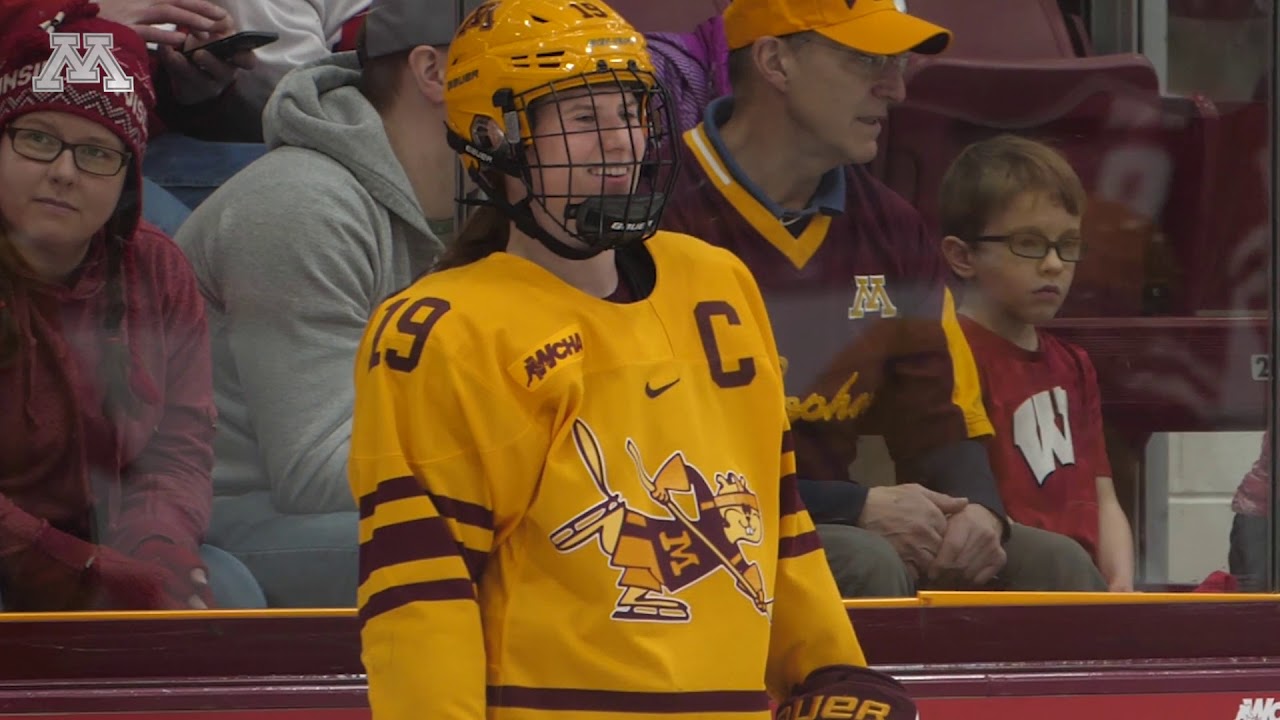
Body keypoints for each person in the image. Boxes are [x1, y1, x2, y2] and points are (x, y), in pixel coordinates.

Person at [349, 0, 915, 717]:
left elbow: (775, 521)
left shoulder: (715, 283)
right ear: (496, 139)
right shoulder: (442, 330)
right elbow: (422, 592)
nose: (619, 141)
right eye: (583, 119)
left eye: (630, 114)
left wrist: (830, 668)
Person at [657, 0, 1107, 596]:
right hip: (697, 521)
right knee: (866, 562)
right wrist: (852, 505)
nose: (894, 88)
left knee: (1058, 567)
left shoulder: (891, 225)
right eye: (867, 60)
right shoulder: (657, 212)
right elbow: (653, 444)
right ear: (775, 61)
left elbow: (941, 418)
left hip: (838, 516)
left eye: (895, 64)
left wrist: (978, 513)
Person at [175, 0, 474, 607]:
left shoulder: (492, 203)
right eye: (519, 69)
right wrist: (514, 453)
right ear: (435, 73)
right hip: (226, 518)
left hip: (345, 500)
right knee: (482, 546)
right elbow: (316, 470)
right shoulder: (301, 206)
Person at [0, 0, 264, 611]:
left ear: (127, 177)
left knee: (226, 592)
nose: (64, 172)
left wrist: (159, 549)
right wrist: (80, 569)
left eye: (97, 153)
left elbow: (179, 446)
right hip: (32, 552)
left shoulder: (156, 269)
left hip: (104, 542)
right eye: (38, 139)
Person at [939, 135, 1123, 591]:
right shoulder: (943, 353)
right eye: (1029, 244)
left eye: (1069, 245)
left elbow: (1103, 495)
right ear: (962, 256)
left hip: (1081, 585)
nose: (1055, 265)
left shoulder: (1074, 364)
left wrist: (1120, 580)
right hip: (1003, 585)